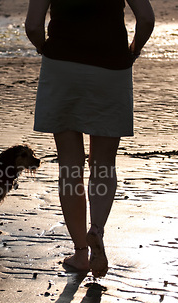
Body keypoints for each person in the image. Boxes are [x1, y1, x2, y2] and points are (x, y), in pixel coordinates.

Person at [25, 0, 154, 277]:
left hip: (62, 67)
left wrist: (43, 48)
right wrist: (135, 49)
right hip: (112, 66)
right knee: (104, 163)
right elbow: (145, 18)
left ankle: (81, 254)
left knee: (70, 165)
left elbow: (33, 25)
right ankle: (96, 230)